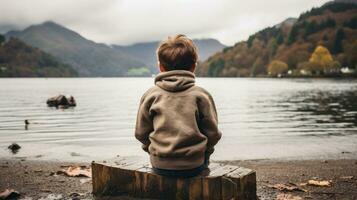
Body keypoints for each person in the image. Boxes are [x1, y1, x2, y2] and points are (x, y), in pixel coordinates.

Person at [135, 34, 222, 178]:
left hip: (160, 165)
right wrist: (204, 152)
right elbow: (213, 134)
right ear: (193, 66)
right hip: (194, 165)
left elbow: (140, 133)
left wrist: (152, 150)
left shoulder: (151, 95)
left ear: (160, 67)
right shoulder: (202, 95)